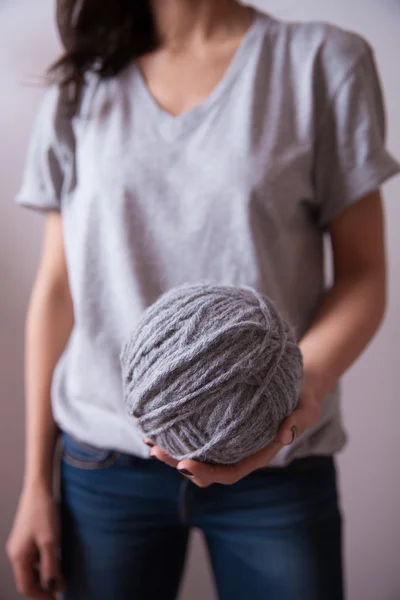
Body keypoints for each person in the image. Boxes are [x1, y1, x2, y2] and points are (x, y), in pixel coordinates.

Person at [6, 1, 399, 599]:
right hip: (105, 465)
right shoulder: (85, 81)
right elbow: (58, 289)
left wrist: (301, 391)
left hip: (278, 465)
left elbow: (364, 273)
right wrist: (34, 481)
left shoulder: (322, 62)